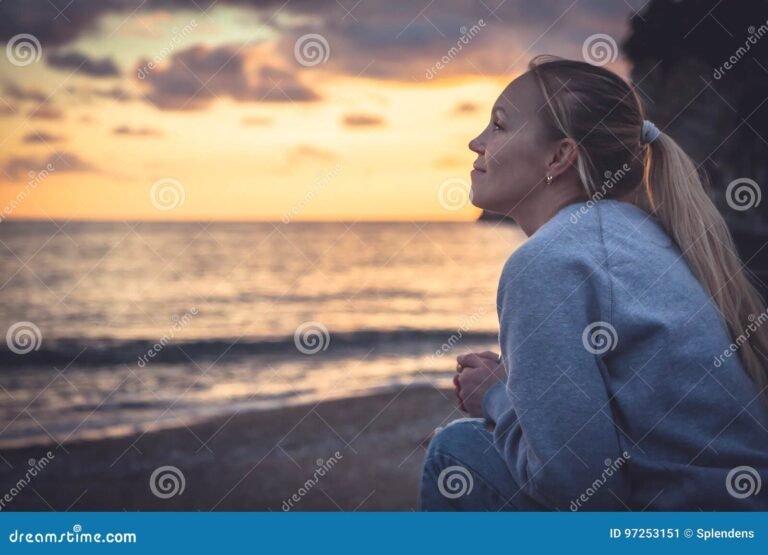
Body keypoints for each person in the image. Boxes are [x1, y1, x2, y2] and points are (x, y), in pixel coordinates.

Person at [419, 56, 768, 511]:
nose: (475, 142)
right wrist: (518, 393)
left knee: (456, 452)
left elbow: (579, 490)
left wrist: (495, 399)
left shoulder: (549, 262)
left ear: (560, 156)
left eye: (499, 127)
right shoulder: (641, 235)